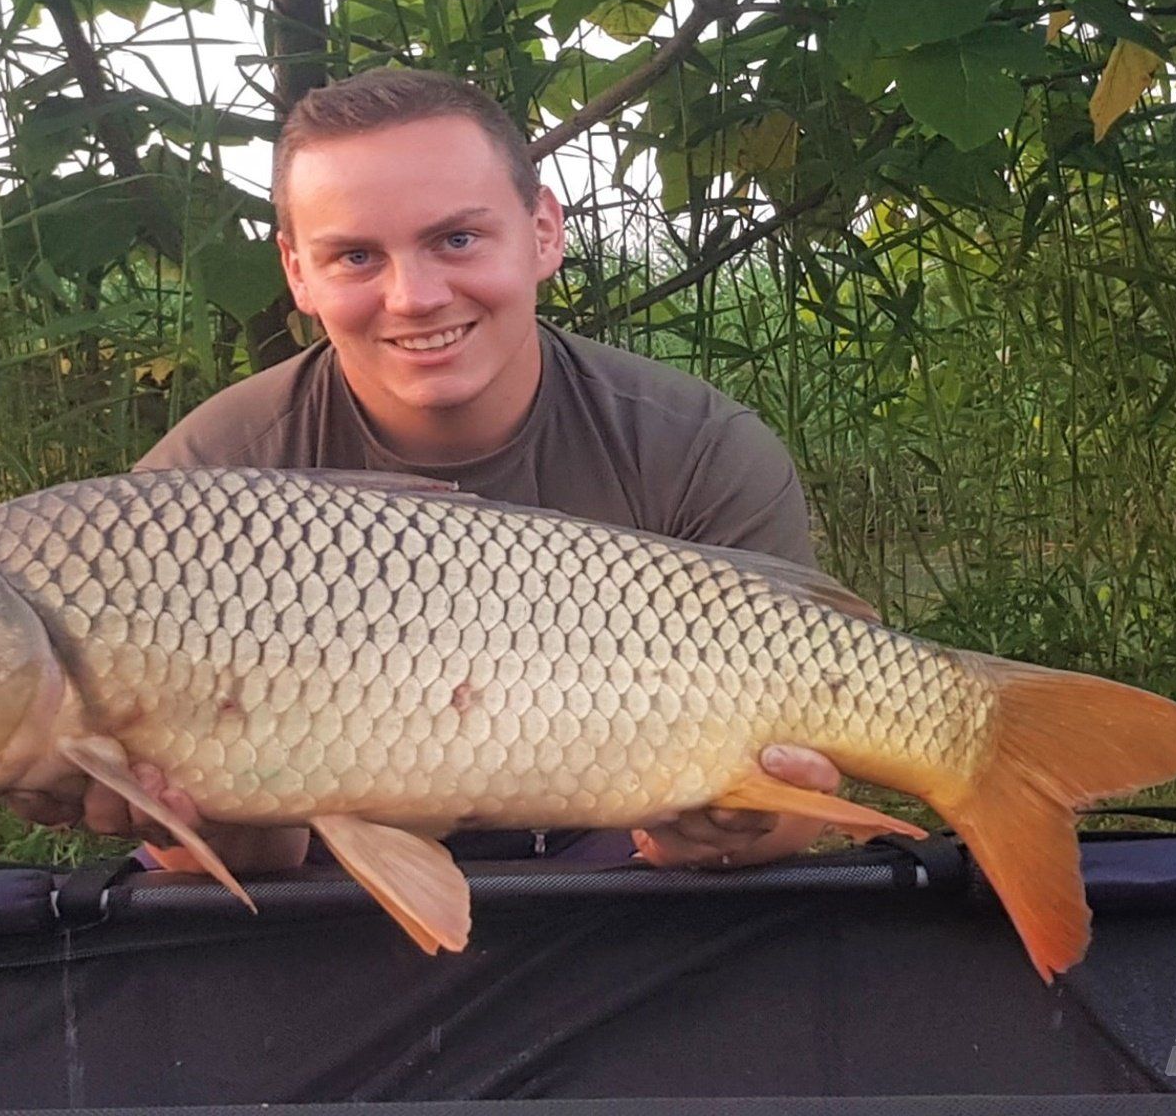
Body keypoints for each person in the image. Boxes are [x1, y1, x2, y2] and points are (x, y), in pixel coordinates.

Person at [88, 67, 842, 873]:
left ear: (544, 231)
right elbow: (227, 860)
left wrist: (725, 830)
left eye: (456, 240)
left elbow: (803, 804)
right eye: (354, 256)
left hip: (620, 863)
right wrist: (207, 827)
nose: (413, 297)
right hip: (328, 888)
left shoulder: (696, 451)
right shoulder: (205, 486)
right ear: (298, 273)